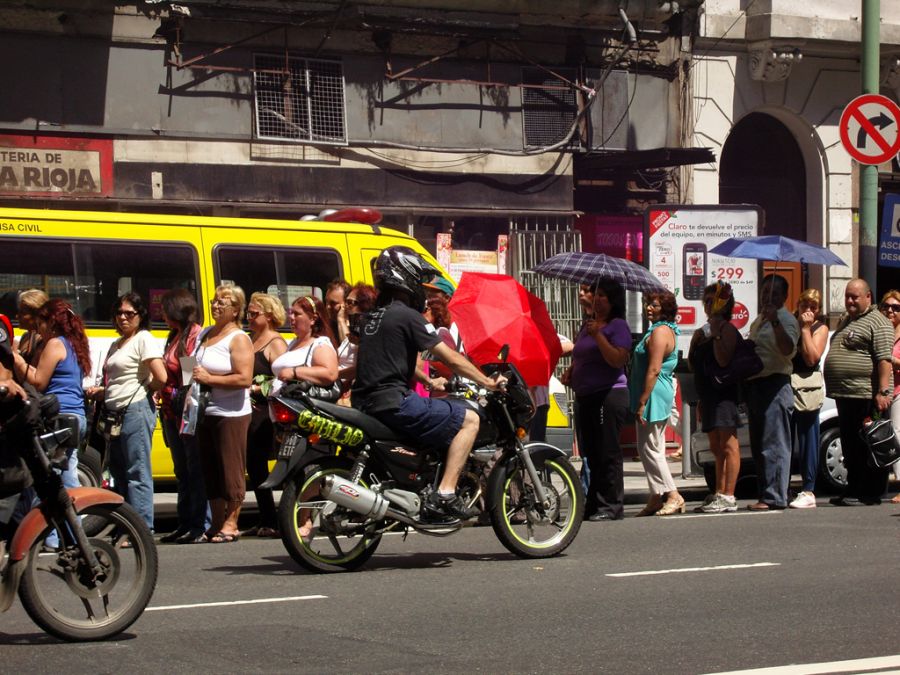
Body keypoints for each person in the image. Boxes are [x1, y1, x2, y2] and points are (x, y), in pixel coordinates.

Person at [352, 246, 506, 523]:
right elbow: (450, 357)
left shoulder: (373, 316)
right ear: (405, 276)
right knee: (469, 419)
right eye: (420, 280)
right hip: (394, 402)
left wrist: (428, 379)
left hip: (365, 402)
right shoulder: (407, 316)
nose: (423, 289)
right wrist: (486, 381)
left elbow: (393, 361)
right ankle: (445, 493)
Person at [12, 299, 92, 547]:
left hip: (60, 418)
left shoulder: (55, 343)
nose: (39, 328)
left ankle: (51, 538)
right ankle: (71, 539)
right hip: (74, 417)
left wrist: (15, 358)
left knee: (50, 480)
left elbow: (38, 381)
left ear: (51, 322)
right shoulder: (74, 344)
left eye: (41, 323)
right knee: (66, 480)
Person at [87, 292, 166, 531]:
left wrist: (143, 389)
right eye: (119, 313)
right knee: (119, 472)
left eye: (129, 313)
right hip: (115, 414)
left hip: (135, 409)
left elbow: (160, 377)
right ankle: (127, 527)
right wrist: (103, 392)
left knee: (137, 470)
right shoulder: (117, 343)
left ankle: (142, 529)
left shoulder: (144, 339)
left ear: (140, 316)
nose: (123, 317)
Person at [561, 278, 631, 522]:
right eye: (596, 294)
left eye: (603, 295)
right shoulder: (588, 324)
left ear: (613, 301)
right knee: (590, 451)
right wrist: (572, 370)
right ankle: (593, 502)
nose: (598, 299)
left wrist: (599, 336)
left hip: (608, 395)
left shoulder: (617, 326)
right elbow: (583, 354)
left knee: (607, 451)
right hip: (585, 395)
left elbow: (617, 359)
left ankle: (611, 505)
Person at [192, 283, 253, 542]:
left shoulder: (238, 338)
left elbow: (244, 378)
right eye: (214, 301)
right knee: (211, 468)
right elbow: (193, 365)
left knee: (231, 468)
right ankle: (216, 520)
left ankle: (232, 520)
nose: (216, 306)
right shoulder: (206, 333)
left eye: (223, 302)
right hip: (205, 410)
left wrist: (210, 377)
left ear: (236, 309)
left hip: (231, 412)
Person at [824, 279, 894, 506]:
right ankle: (853, 488)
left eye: (855, 296)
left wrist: (882, 392)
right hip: (847, 396)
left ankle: (870, 492)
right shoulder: (848, 320)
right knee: (851, 445)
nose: (850, 301)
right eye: (847, 296)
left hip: (867, 396)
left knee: (870, 443)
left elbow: (884, 360)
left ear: (868, 297)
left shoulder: (878, 321)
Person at [157, 289, 208, 544]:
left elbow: (189, 375)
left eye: (165, 309)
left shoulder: (193, 336)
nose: (162, 313)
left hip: (186, 412)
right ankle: (184, 521)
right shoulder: (174, 335)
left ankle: (199, 523)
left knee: (193, 468)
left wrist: (176, 393)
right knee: (181, 470)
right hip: (170, 412)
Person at [745, 274, 800, 511]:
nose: (768, 296)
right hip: (756, 385)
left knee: (775, 443)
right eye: (765, 291)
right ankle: (767, 492)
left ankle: (775, 496)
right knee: (759, 444)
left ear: (785, 296)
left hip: (775, 384)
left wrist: (776, 321)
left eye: (774, 293)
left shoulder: (786, 319)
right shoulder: (759, 320)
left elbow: (787, 350)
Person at [688, 281, 742, 513]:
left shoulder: (727, 329)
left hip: (724, 395)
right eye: (706, 301)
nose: (709, 305)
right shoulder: (705, 331)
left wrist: (717, 336)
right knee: (715, 446)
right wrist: (696, 341)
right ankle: (719, 491)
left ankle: (729, 495)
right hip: (708, 395)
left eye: (713, 301)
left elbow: (723, 360)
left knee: (728, 445)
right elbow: (693, 364)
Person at [629, 291, 683, 516]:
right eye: (648, 304)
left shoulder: (661, 332)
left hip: (653, 393)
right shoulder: (657, 329)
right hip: (651, 391)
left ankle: (673, 495)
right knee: (651, 446)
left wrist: (642, 400)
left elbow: (654, 368)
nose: (648, 308)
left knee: (650, 447)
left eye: (654, 305)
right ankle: (655, 496)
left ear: (666, 309)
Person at [243, 292, 288, 538]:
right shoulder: (250, 340)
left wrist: (256, 388)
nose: (249, 317)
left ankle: (272, 519)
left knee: (260, 464)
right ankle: (265, 516)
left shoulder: (275, 343)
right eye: (248, 313)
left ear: (269, 315)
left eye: (254, 313)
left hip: (265, 413)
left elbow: (282, 380)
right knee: (254, 466)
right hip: (247, 411)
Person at [789, 289, 829, 509]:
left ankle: (808, 489)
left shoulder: (819, 328)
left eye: (814, 307)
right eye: (805, 305)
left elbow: (812, 357)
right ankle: (783, 486)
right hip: (787, 385)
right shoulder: (789, 324)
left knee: (807, 438)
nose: (809, 310)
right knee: (784, 438)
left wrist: (805, 329)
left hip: (806, 389)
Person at [270, 295, 339, 392]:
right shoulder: (294, 342)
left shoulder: (320, 344)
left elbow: (330, 374)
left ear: (313, 319)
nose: (291, 317)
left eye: (297, 314)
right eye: (291, 313)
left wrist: (294, 372)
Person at [336, 283, 378, 402]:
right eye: (346, 301)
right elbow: (347, 342)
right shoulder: (356, 332)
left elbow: (361, 368)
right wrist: (341, 320)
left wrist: (333, 374)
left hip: (354, 393)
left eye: (350, 302)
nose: (345, 306)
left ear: (365, 305)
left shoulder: (370, 334)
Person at [881, 290, 900, 502]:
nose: (890, 311)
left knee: (897, 436)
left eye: (896, 307)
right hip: (882, 391)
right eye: (886, 306)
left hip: (898, 392)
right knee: (882, 439)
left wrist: (891, 361)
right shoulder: (881, 331)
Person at [15, 289, 49, 367]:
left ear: (37, 315)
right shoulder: (25, 336)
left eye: (23, 313)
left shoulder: (44, 340)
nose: (17, 316)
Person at [324, 278, 351, 347]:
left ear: (346, 304)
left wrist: (341, 320)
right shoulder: (324, 326)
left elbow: (347, 351)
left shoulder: (357, 326)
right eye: (327, 302)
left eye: (333, 303)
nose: (328, 307)